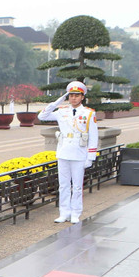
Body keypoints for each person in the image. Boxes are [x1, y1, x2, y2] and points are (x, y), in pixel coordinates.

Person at [38, 81, 99, 224]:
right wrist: (56, 103)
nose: (73, 98)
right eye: (71, 95)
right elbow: (42, 116)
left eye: (77, 95)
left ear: (82, 97)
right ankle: (64, 212)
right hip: (64, 152)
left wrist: (90, 157)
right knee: (63, 185)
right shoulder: (62, 111)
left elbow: (93, 136)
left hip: (79, 153)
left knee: (77, 186)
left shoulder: (89, 113)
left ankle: (75, 212)